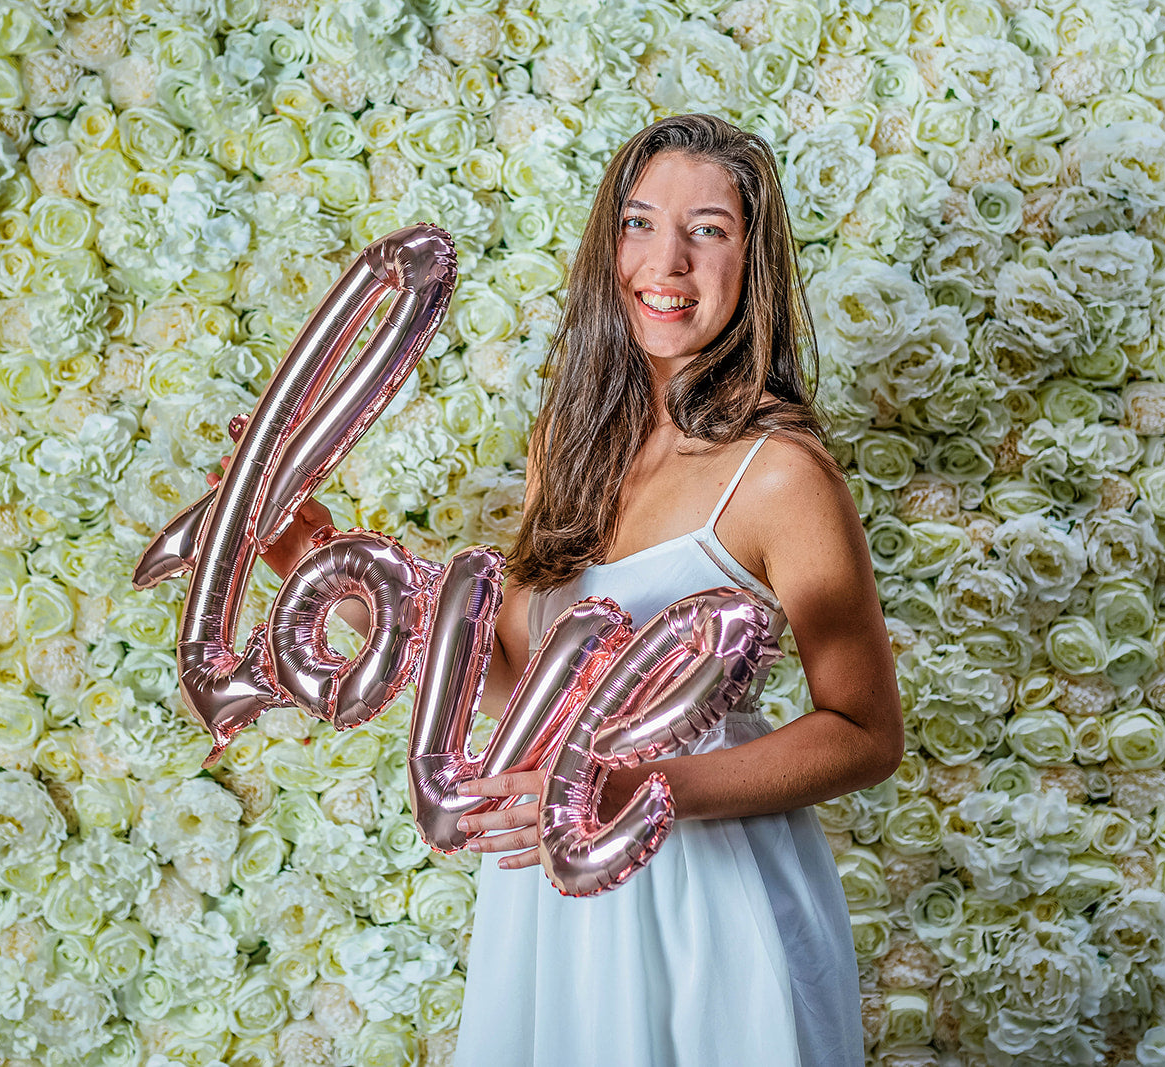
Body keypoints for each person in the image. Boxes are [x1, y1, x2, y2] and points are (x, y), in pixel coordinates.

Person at [221, 114, 903, 1065]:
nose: (666, 261)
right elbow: (517, 680)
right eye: (639, 223)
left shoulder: (782, 474)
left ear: (752, 264)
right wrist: (320, 566)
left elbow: (865, 732)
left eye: (708, 230)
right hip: (550, 894)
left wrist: (628, 788)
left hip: (702, 892)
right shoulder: (574, 446)